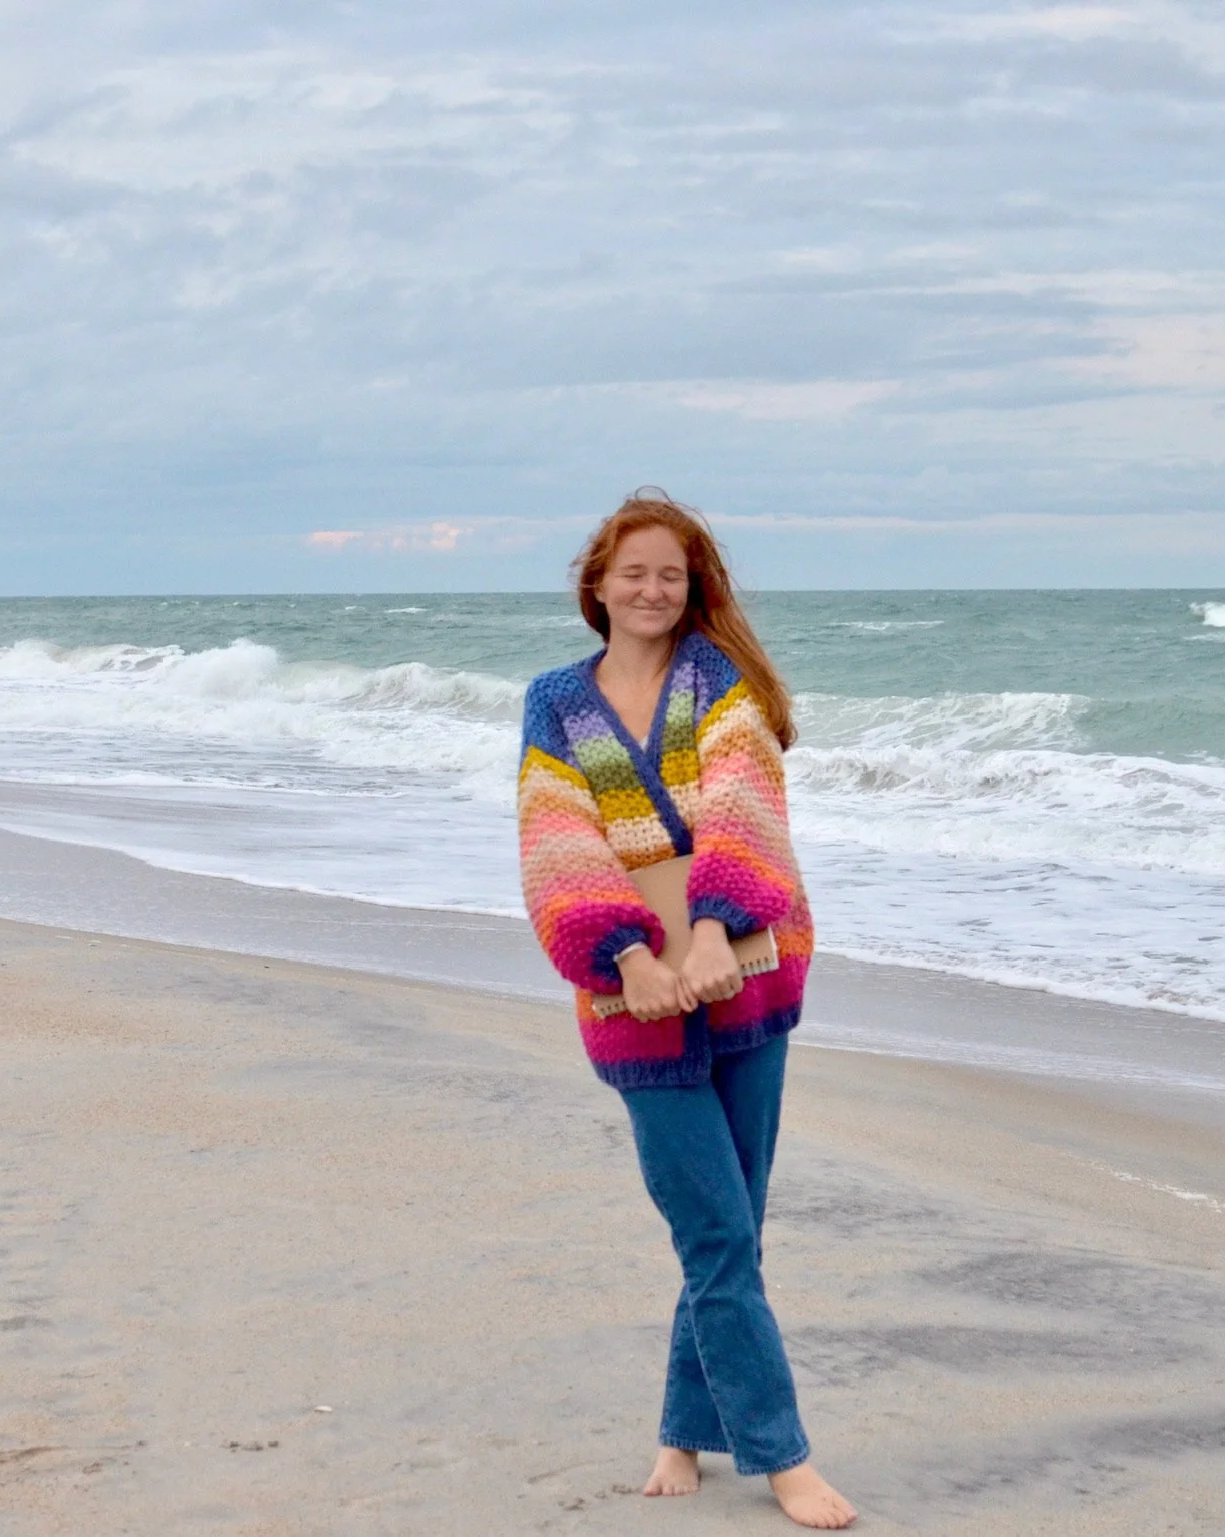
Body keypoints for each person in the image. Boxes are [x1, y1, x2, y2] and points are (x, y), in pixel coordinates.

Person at [516, 490, 857, 1529]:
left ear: (692, 584)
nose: (652, 590)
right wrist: (622, 952)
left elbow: (741, 796)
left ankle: (679, 1427)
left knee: (732, 1230)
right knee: (713, 1230)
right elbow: (555, 833)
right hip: (635, 1002)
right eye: (634, 573)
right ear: (597, 584)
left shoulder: (720, 683)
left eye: (671, 574)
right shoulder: (554, 701)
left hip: (746, 971)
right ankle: (780, 1455)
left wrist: (712, 927)